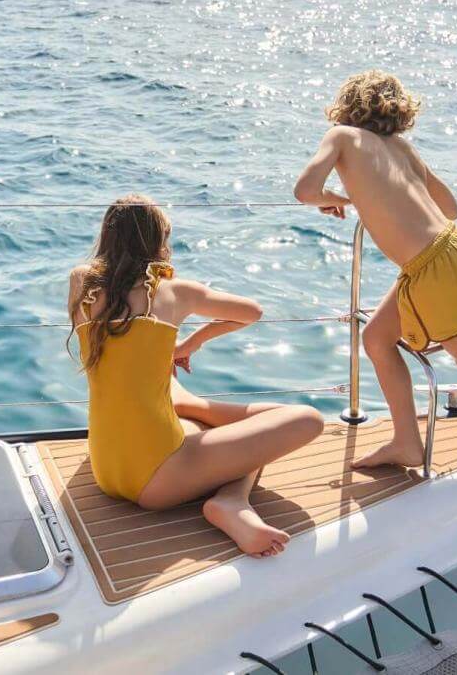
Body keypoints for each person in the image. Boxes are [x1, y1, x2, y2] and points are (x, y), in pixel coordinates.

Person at [292, 70, 457, 469]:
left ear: (345, 107)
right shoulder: (403, 149)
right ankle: (406, 442)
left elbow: (304, 191)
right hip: (454, 248)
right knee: (377, 339)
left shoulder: (341, 137)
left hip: (431, 266)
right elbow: (450, 209)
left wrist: (342, 199)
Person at [68, 195, 324, 557]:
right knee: (306, 420)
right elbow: (252, 312)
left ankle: (196, 413)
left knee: (180, 405)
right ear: (160, 242)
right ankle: (231, 501)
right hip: (158, 480)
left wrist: (164, 349)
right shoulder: (175, 291)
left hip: (105, 466)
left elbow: (123, 353)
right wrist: (192, 342)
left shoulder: (81, 283)